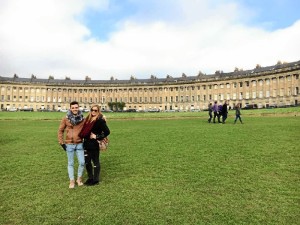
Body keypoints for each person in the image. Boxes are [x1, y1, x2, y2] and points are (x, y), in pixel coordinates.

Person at [79, 105, 110, 186]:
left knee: (95, 161)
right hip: (86, 143)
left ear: (98, 111)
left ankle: (96, 179)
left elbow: (107, 131)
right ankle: (90, 178)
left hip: (94, 143)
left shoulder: (100, 120)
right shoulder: (87, 120)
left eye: (95, 110)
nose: (93, 112)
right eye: (92, 110)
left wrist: (97, 136)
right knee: (87, 162)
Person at [58, 101, 85, 189]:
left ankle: (79, 179)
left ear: (78, 108)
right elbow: (60, 131)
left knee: (82, 162)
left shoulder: (82, 118)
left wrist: (102, 118)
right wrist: (61, 142)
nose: (75, 109)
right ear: (70, 108)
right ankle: (72, 181)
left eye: (76, 107)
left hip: (79, 143)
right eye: (73, 108)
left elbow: (90, 125)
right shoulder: (66, 118)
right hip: (69, 144)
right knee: (71, 163)